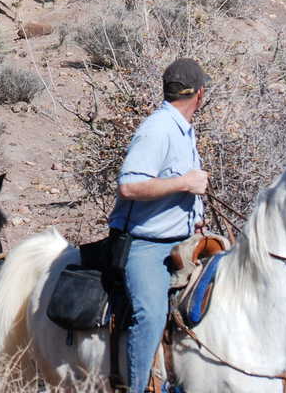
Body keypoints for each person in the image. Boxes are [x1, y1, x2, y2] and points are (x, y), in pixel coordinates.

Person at [107, 58, 211, 393]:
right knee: (150, 315)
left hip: (182, 239)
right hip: (145, 244)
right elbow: (130, 186)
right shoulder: (158, 129)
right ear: (200, 94)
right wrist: (184, 183)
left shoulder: (183, 129)